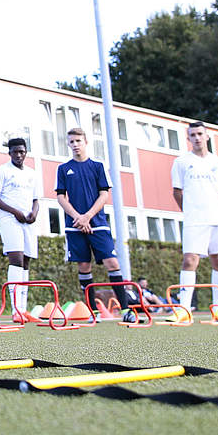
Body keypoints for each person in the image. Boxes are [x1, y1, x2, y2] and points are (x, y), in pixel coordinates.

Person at [55, 128, 135, 322]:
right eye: (71, 141)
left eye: (78, 141)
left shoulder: (98, 166)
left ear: (85, 142)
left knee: (112, 262)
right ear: (68, 144)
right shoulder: (63, 169)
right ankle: (93, 313)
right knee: (83, 265)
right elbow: (60, 196)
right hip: (74, 225)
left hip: (97, 223)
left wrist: (88, 216)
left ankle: (125, 311)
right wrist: (78, 218)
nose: (75, 144)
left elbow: (104, 194)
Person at [169, 121, 218, 323]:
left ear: (207, 136)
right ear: (188, 138)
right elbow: (177, 191)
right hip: (194, 219)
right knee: (190, 260)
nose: (197, 138)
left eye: (200, 134)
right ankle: (183, 309)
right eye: (193, 135)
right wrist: (189, 211)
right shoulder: (181, 162)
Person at [0, 137, 41, 322]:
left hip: (28, 221)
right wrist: (15, 212)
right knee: (16, 260)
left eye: (22, 151)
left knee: (26, 261)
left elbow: (36, 199)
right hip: (10, 219)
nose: (19, 155)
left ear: (26, 152)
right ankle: (15, 310)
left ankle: (23, 309)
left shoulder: (32, 173)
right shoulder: (2, 171)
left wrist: (33, 213)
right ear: (9, 152)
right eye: (15, 151)